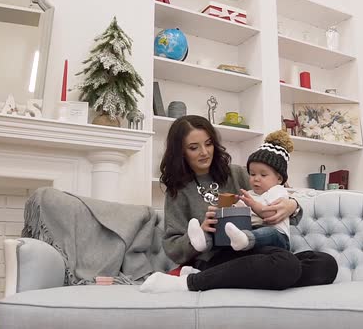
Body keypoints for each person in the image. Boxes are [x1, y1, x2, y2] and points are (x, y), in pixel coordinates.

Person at [140, 115, 337, 293]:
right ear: (180, 152)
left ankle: (228, 279)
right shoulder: (178, 190)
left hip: (255, 252)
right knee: (285, 264)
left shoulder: (238, 173)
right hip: (214, 259)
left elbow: (278, 190)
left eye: (208, 144)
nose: (204, 152)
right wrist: (201, 229)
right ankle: (191, 282)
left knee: (325, 264)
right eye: (194, 148)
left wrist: (292, 205)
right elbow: (173, 248)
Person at [188, 130, 294, 252]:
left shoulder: (278, 191)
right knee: (226, 228)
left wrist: (252, 204)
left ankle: (245, 239)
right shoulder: (251, 194)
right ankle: (204, 242)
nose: (256, 179)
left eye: (263, 175)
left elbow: (270, 215)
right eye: (252, 174)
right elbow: (240, 214)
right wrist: (227, 210)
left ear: (279, 178)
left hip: (277, 238)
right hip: (252, 238)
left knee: (269, 232)